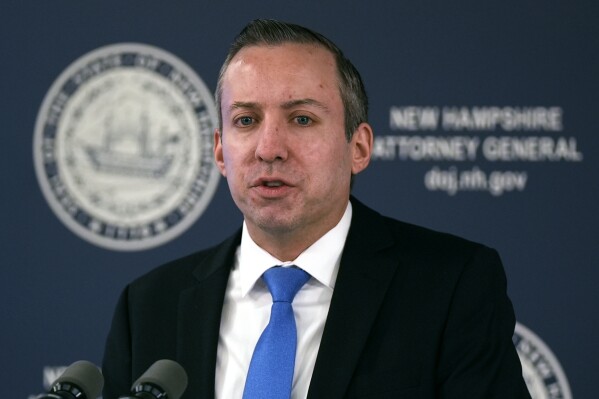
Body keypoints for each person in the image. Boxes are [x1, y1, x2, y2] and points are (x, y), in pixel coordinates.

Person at [102, 19, 531, 398]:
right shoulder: (147, 307)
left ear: (358, 147)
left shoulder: (451, 286)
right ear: (219, 151)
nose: (269, 149)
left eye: (301, 119)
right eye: (246, 121)